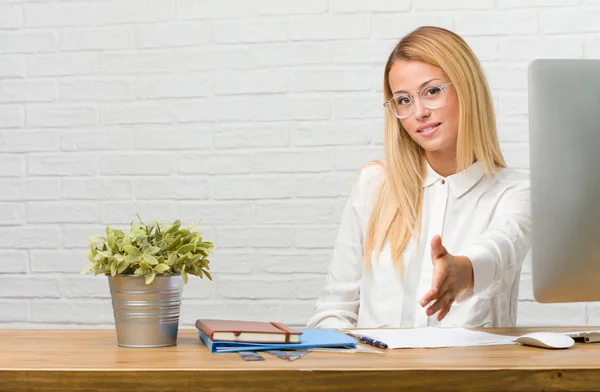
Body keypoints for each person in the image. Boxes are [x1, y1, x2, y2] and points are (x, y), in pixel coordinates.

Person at [307, 26, 531, 329]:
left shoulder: (515, 191)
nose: (419, 112)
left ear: (467, 89)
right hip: (378, 375)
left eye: (433, 91)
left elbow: (500, 249)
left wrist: (461, 271)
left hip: (471, 376)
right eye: (403, 100)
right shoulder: (374, 185)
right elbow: (335, 309)